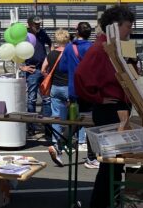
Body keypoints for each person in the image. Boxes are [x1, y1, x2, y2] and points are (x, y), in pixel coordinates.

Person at [74, 5, 135, 208]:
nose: (130, 31)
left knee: (115, 166)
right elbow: (80, 77)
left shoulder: (116, 47)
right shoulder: (100, 48)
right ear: (115, 26)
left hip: (118, 109)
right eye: (127, 26)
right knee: (110, 165)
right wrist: (98, 97)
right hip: (109, 110)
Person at [58, 21, 94, 149]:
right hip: (88, 90)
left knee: (74, 120)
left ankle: (60, 145)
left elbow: (62, 68)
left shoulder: (69, 47)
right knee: (90, 122)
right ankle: (91, 157)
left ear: (77, 32)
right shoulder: (91, 47)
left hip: (73, 90)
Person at [42, 28, 70, 167]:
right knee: (74, 117)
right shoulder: (71, 53)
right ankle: (71, 141)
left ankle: (56, 142)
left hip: (55, 88)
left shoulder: (51, 54)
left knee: (56, 116)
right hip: (69, 88)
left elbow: (43, 69)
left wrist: (48, 76)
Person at [19, 16, 51, 138]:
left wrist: (49, 60)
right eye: (35, 24)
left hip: (43, 71)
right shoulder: (24, 36)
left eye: (39, 24)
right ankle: (31, 128)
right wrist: (22, 67)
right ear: (29, 24)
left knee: (47, 99)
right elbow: (13, 51)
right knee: (31, 100)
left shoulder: (42, 33)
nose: (37, 26)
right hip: (31, 71)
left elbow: (50, 43)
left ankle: (48, 128)